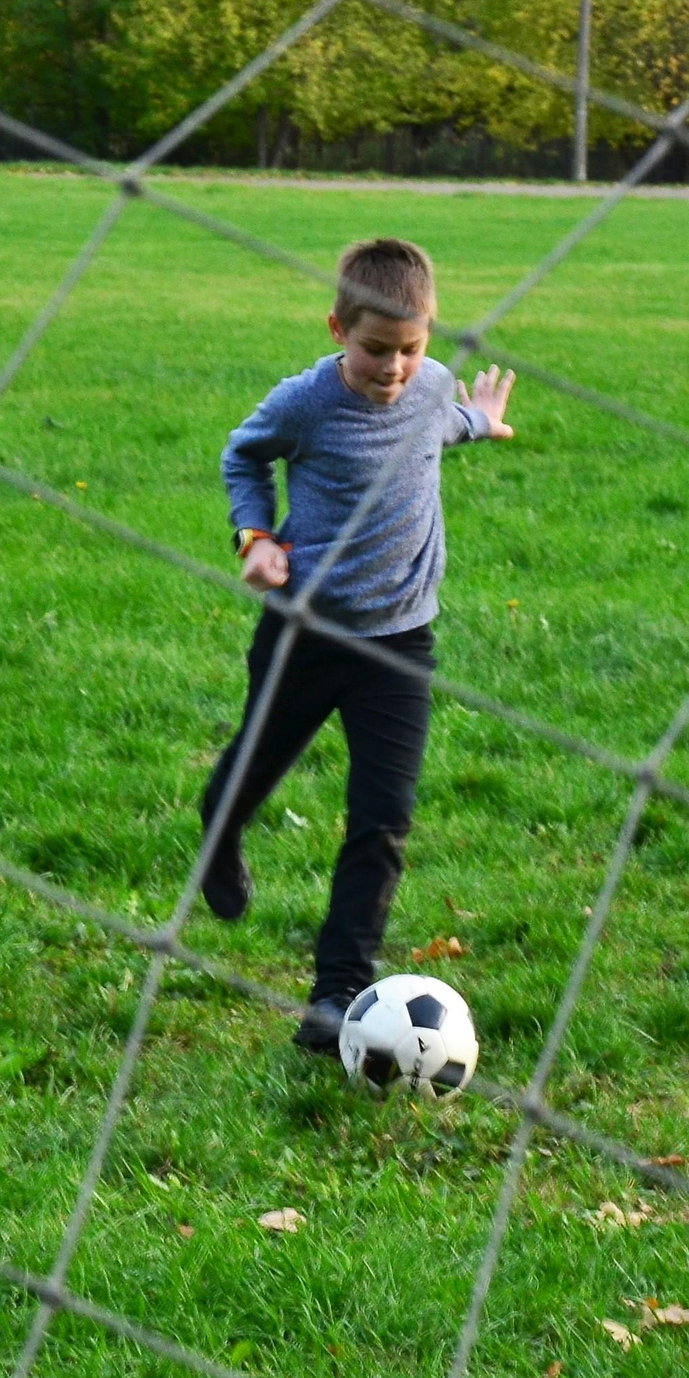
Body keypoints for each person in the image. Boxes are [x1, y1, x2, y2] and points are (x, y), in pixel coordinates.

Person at [198, 237, 516, 1055]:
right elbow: (244, 453)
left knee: (381, 818)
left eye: (412, 349)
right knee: (249, 773)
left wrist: (479, 421)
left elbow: (434, 425)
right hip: (305, 634)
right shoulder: (305, 402)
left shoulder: (431, 383)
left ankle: (336, 993)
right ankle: (219, 825)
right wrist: (255, 535)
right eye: (377, 350)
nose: (394, 370)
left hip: (401, 644)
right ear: (339, 327)